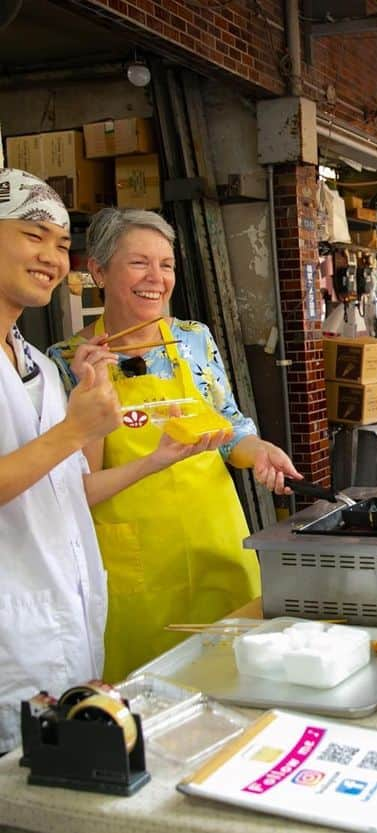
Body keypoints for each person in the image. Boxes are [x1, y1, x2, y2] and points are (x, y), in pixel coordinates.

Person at [48, 208, 301, 681]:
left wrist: (260, 452)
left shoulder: (193, 340)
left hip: (216, 543)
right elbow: (77, 483)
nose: (156, 279)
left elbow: (231, 430)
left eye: (166, 265)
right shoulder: (65, 362)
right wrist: (93, 385)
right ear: (99, 271)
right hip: (134, 565)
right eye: (138, 263)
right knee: (147, 689)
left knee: (237, 675)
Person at [0, 170, 122, 753]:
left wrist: (162, 455)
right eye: (33, 235)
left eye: (61, 243)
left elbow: (71, 490)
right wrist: (76, 428)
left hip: (64, 623)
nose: (52, 256)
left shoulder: (44, 369)